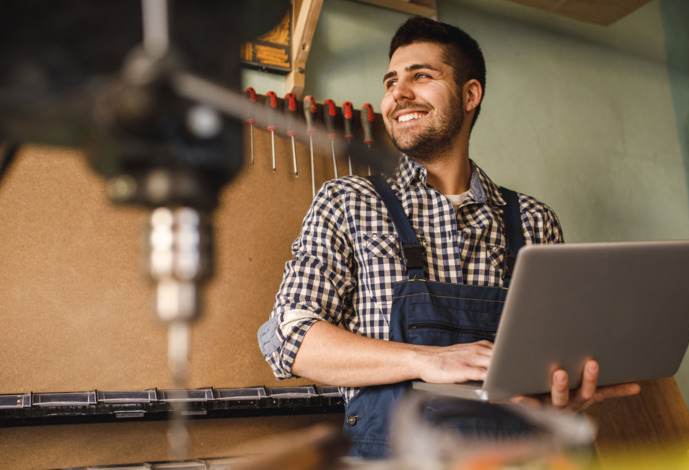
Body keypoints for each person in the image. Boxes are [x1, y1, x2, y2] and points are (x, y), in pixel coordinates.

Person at [258, 16, 639, 458]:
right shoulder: (348, 202)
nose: (398, 93)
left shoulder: (535, 221)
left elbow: (557, 354)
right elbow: (290, 336)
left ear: (470, 95)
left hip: (520, 459)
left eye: (421, 76)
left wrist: (564, 390)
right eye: (391, 81)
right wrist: (427, 360)